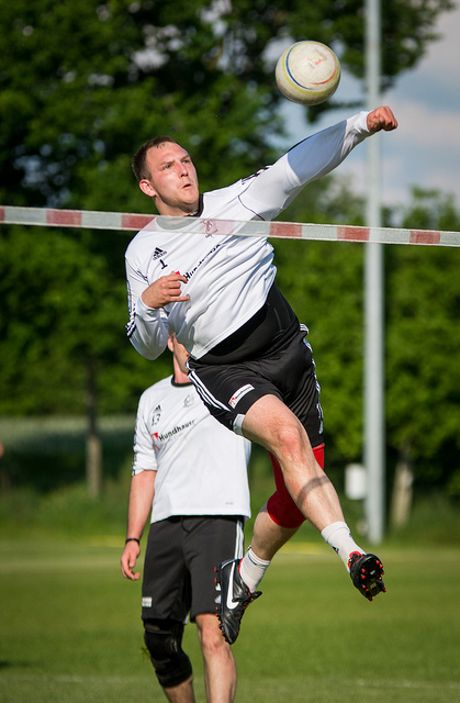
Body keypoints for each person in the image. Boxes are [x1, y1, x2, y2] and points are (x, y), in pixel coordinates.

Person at [125, 106, 396, 643]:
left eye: (186, 159)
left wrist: (363, 124)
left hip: (287, 347)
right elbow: (147, 345)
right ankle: (353, 554)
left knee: (295, 497)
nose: (184, 169)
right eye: (168, 166)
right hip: (225, 368)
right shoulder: (141, 252)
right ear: (147, 186)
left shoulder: (237, 202)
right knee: (289, 440)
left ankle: (243, 575)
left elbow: (299, 164)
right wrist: (151, 304)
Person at [120, 334, 252, 701]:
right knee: (158, 634)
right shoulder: (152, 399)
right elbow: (144, 470)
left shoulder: (233, 383)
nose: (189, 339)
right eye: (182, 331)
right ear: (168, 339)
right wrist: (133, 537)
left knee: (213, 629)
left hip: (219, 518)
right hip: (166, 525)